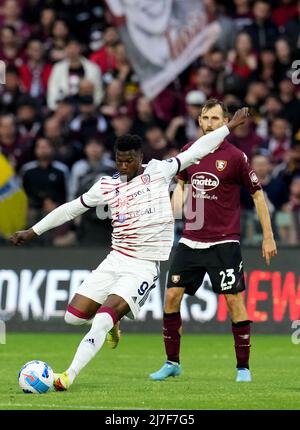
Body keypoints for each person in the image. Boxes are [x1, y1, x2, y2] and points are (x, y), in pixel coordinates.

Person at [10, 107, 249, 391]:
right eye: (119, 161)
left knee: (101, 318)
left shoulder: (159, 171)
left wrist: (230, 126)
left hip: (144, 266)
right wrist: (33, 230)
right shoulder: (107, 185)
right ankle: (114, 323)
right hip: (115, 259)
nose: (123, 167)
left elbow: (198, 149)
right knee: (73, 317)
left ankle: (67, 376)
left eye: (128, 161)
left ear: (139, 158)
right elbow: (70, 209)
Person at [149, 99, 277, 383]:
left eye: (215, 119)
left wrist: (268, 236)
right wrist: (169, 218)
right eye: (204, 118)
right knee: (171, 296)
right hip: (190, 240)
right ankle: (172, 362)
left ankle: (243, 368)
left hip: (224, 242)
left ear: (225, 122)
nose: (209, 124)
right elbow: (181, 185)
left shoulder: (235, 157)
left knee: (234, 302)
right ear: (199, 121)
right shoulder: (189, 153)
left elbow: (257, 194)